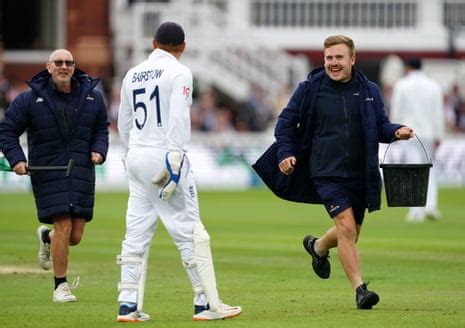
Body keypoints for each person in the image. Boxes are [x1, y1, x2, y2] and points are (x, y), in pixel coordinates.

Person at [253, 35, 414, 309]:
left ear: (352, 59)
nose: (333, 63)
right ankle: (360, 290)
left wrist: (396, 132)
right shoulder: (310, 88)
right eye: (329, 58)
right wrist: (286, 153)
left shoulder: (369, 90)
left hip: (361, 174)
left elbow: (380, 125)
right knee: (347, 227)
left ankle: (317, 246)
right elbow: (285, 124)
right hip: (325, 172)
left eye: (339, 57)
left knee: (351, 234)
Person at [116, 21, 241, 322]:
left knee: (136, 233)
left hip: (136, 155)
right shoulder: (180, 71)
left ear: (154, 44)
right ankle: (206, 303)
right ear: (182, 47)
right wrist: (173, 161)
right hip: (165, 155)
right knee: (189, 231)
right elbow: (178, 119)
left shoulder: (132, 74)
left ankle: (127, 304)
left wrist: (132, 152)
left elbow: (123, 121)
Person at [0, 49, 109, 302]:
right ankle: (60, 287)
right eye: (58, 62)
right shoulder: (28, 100)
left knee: (75, 236)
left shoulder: (93, 98)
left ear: (74, 67)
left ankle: (46, 237)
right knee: (63, 225)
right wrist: (16, 159)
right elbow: (7, 131)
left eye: (68, 63)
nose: (63, 66)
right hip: (48, 172)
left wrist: (99, 151)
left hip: (81, 171)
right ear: (48, 67)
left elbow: (101, 130)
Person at [390, 58, 445, 222]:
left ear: (408, 67)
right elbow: (438, 112)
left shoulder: (402, 85)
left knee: (412, 170)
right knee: (429, 169)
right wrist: (439, 135)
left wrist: (394, 131)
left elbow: (397, 110)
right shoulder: (434, 85)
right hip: (428, 133)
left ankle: (416, 210)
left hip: (408, 132)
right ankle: (430, 206)